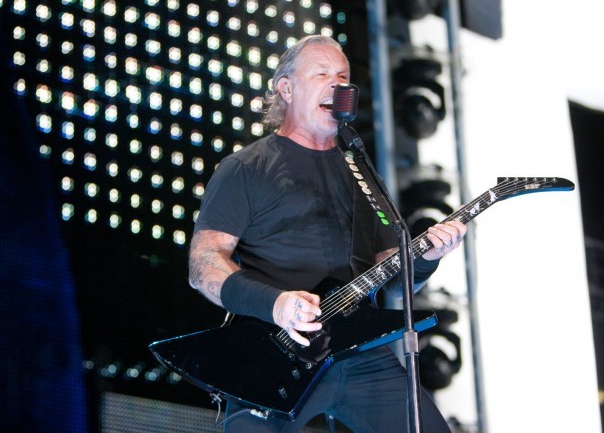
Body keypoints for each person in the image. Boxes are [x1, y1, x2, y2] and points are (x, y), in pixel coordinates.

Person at [188, 34, 467, 432]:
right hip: (277, 350)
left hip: (360, 351)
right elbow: (203, 266)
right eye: (321, 74)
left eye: (343, 76)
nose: (337, 84)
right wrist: (276, 304)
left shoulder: (361, 171)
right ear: (286, 89)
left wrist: (426, 259)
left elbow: (393, 278)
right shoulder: (246, 168)